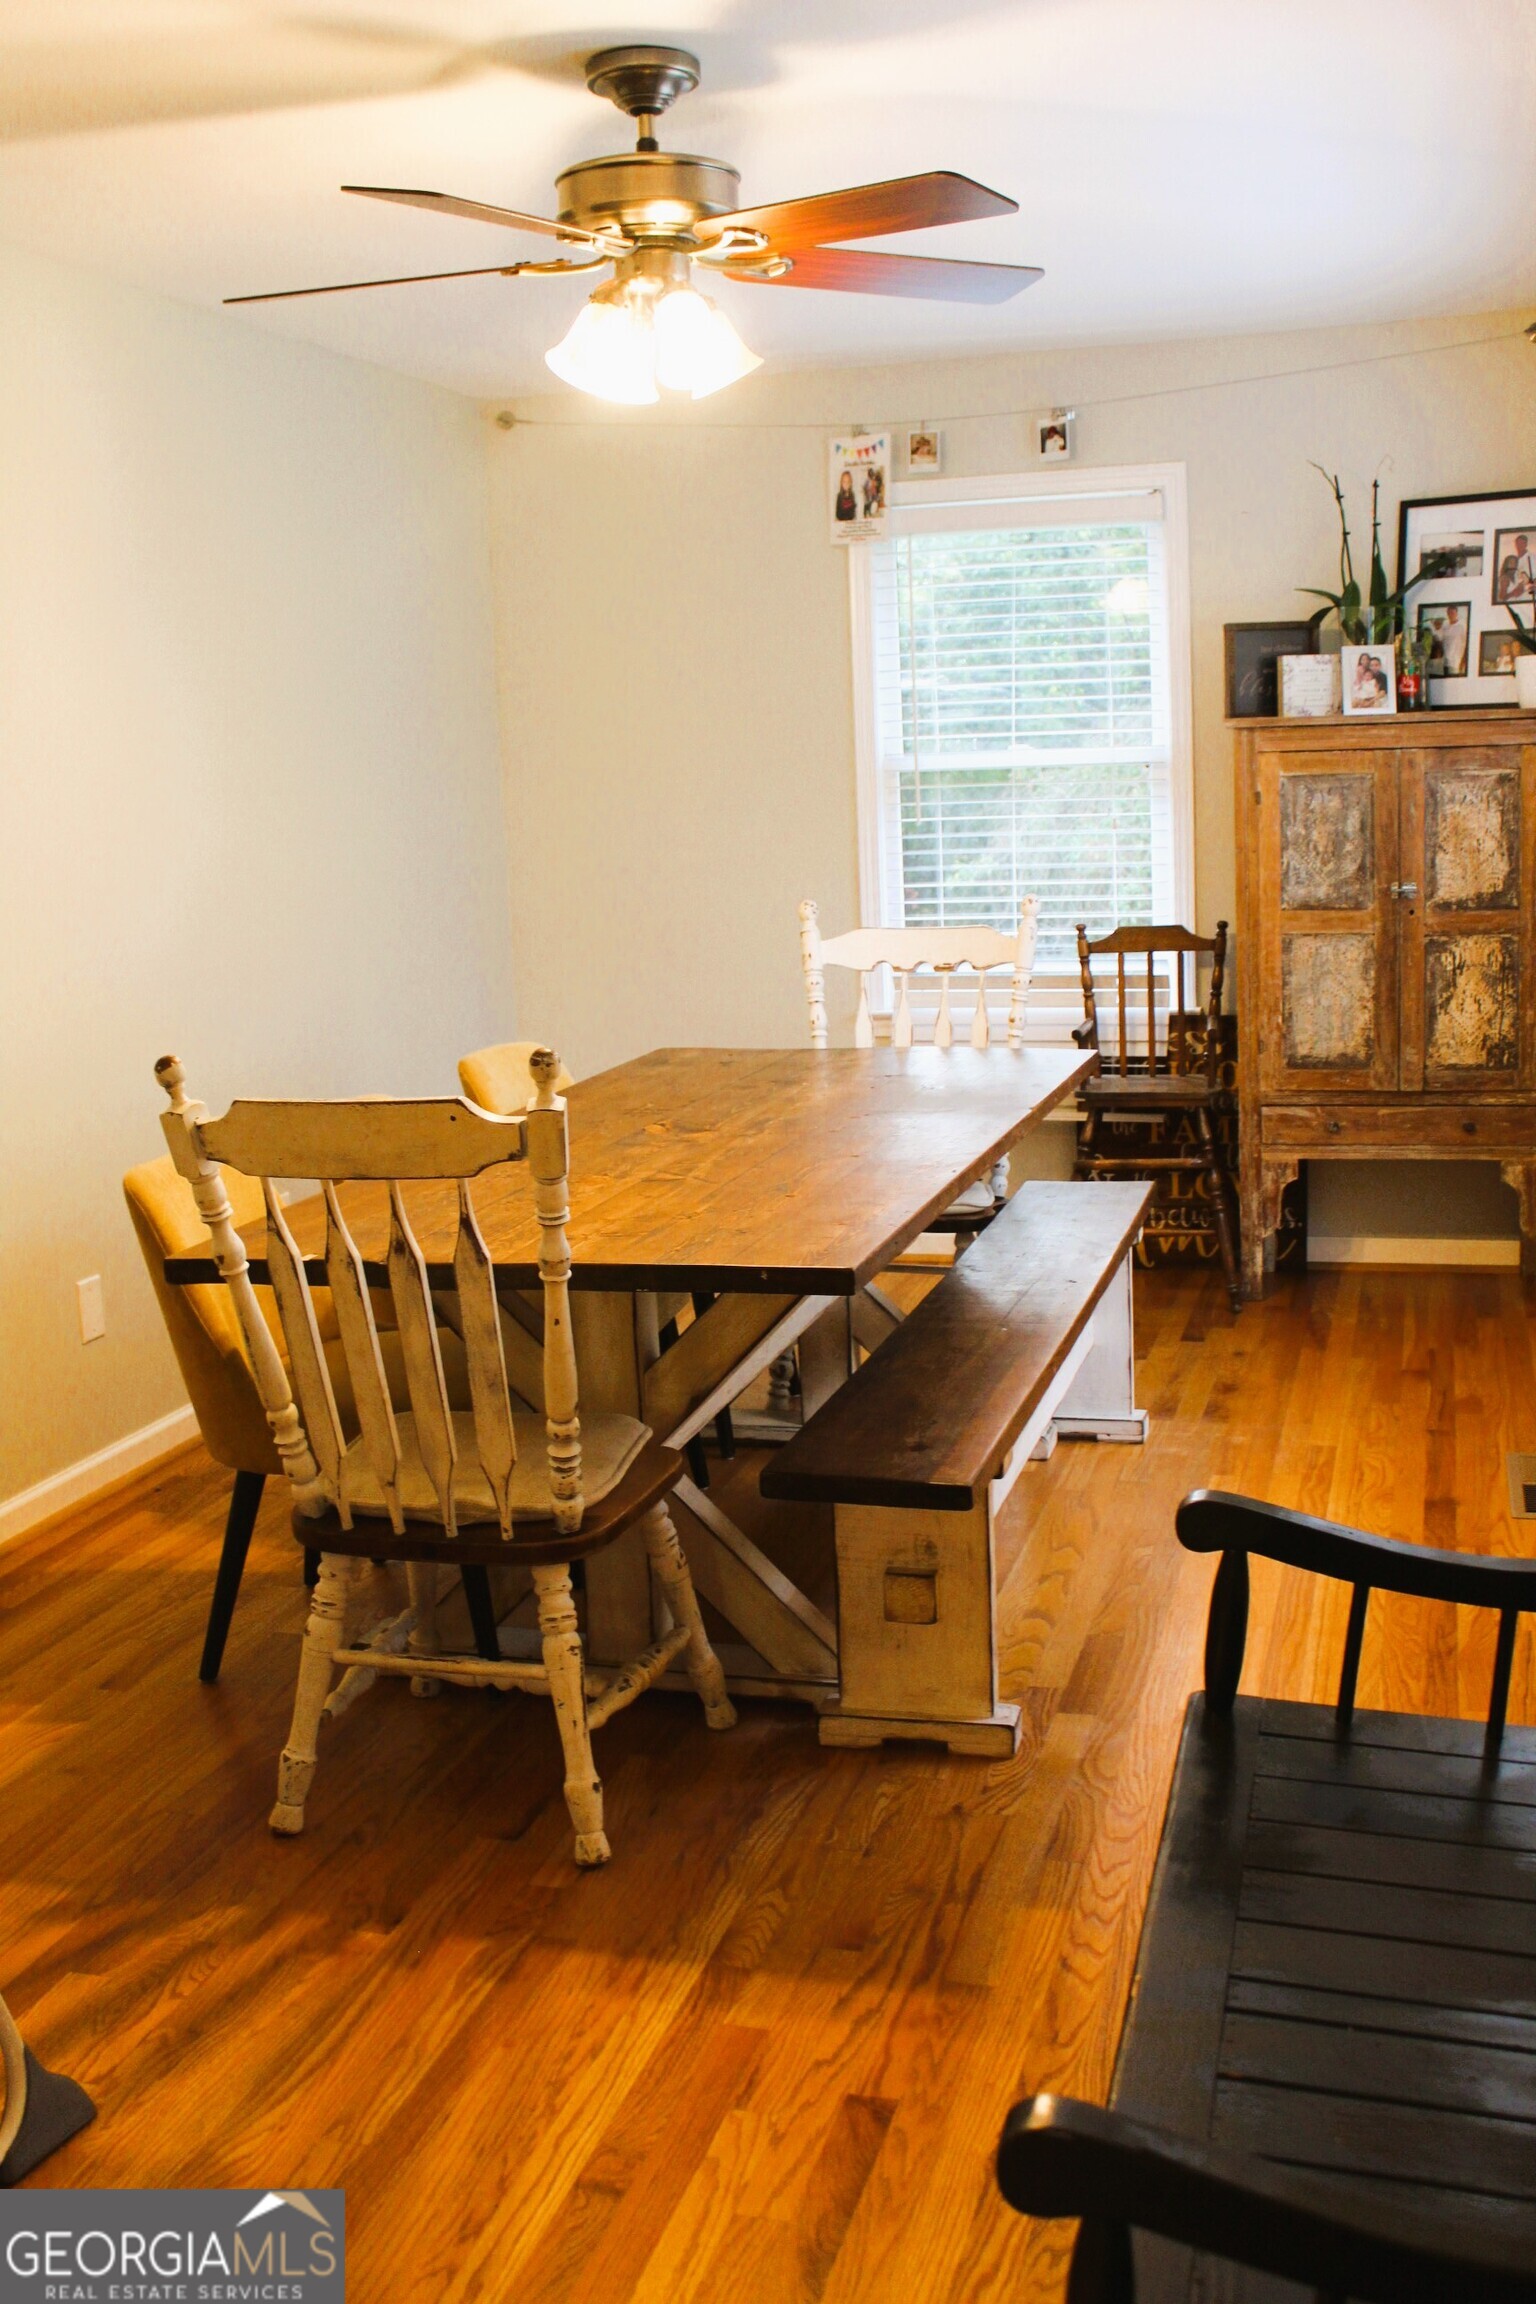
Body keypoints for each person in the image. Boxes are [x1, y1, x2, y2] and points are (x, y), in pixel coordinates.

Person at [1497, 532, 1536, 602]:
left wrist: (1523, 586)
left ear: (1526, 544)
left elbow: (1532, 577)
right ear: (1515, 544)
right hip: (1515, 594)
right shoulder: (1515, 560)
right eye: (1518, 543)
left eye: (1522, 543)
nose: (1519, 545)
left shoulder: (1532, 557)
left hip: (1528, 593)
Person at [1438, 602, 1469, 676]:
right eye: (1449, 613)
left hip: (1456, 662)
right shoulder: (1445, 626)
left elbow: (1467, 645)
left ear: (1456, 613)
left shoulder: (1462, 626)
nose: (1451, 615)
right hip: (1444, 662)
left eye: (1453, 613)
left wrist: (1463, 661)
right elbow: (1440, 641)